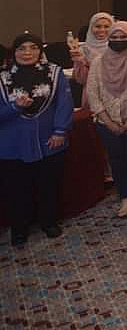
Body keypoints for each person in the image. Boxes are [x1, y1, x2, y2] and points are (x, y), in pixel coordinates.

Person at [0, 31, 73, 246]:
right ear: (14, 52)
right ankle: (19, 229)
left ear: (40, 51)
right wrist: (15, 107)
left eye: (33, 48)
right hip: (13, 145)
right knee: (16, 189)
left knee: (48, 184)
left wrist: (60, 131)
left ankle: (48, 221)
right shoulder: (2, 77)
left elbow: (64, 104)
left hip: (48, 141)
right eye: (22, 48)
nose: (27, 52)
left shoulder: (54, 73)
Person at [84, 20, 127, 218]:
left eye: (123, 37)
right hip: (107, 121)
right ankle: (124, 196)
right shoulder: (98, 61)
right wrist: (108, 122)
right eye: (114, 37)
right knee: (116, 159)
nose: (118, 40)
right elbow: (92, 93)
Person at [71, 11, 114, 86]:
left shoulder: (117, 47)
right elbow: (80, 80)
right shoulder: (83, 50)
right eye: (98, 26)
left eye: (106, 27)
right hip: (90, 90)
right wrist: (80, 61)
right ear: (91, 28)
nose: (102, 30)